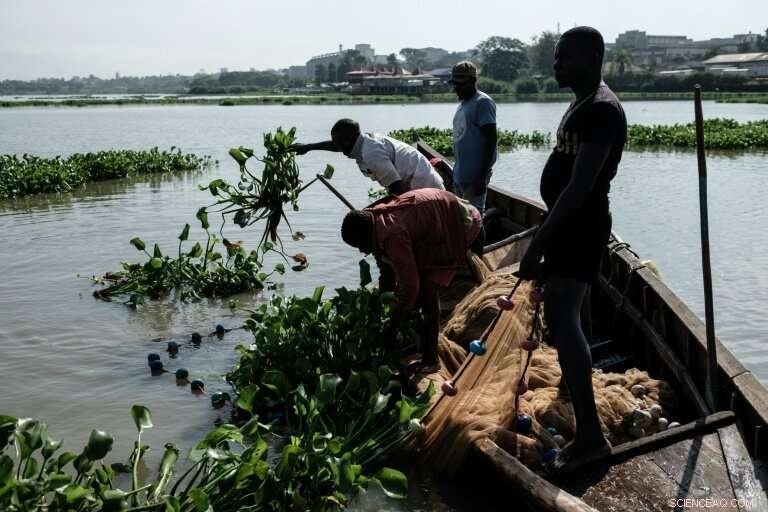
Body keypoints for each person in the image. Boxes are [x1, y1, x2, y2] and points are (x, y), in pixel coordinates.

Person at [518, 26, 627, 474]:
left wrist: (537, 244)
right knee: (571, 318)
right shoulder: (585, 101)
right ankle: (574, 393)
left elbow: (579, 189)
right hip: (571, 226)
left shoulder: (601, 110)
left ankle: (590, 439)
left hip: (578, 227)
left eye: (563, 57)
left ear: (591, 57)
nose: (555, 64)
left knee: (564, 324)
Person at [341, 188, 482, 371]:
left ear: (365, 236)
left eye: (360, 246)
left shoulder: (392, 234)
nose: (361, 251)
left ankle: (431, 360)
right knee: (415, 284)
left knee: (427, 290)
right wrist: (381, 305)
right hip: (436, 219)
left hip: (461, 223)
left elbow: (411, 286)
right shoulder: (375, 223)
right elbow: (387, 272)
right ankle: (419, 342)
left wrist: (394, 323)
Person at [291, 119, 444, 195]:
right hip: (418, 186)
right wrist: (308, 147)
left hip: (425, 190)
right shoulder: (362, 142)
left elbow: (397, 189)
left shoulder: (372, 154)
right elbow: (336, 146)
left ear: (347, 142)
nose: (336, 147)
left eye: (338, 143)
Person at [450, 61, 497, 215]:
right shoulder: (463, 104)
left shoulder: (483, 102)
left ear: (472, 81)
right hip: (460, 175)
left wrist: (482, 177)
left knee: (474, 220)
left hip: (475, 177)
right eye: (454, 84)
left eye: (460, 84)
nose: (456, 88)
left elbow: (491, 141)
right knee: (462, 220)